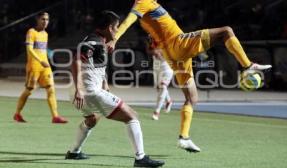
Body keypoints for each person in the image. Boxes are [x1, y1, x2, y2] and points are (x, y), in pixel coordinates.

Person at [107, 0, 272, 152]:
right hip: (179, 43)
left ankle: (184, 138)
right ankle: (248, 66)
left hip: (174, 55)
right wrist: (115, 39)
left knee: (192, 98)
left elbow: (150, 28)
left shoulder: (149, 5)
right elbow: (129, 20)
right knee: (226, 31)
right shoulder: (143, 1)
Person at [65, 10, 164, 167]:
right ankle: (140, 158)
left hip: (82, 92)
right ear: (110, 27)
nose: (117, 30)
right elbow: (76, 61)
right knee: (132, 116)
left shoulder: (99, 41)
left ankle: (74, 152)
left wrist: (104, 82)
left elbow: (95, 65)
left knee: (92, 119)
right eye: (116, 27)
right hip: (88, 92)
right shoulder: (95, 41)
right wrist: (80, 89)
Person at [13, 12, 68, 124]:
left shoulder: (45, 34)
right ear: (37, 19)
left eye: (47, 19)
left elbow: (42, 50)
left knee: (51, 89)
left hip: (45, 66)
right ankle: (17, 113)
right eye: (43, 19)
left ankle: (55, 116)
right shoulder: (31, 32)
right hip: (34, 66)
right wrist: (40, 60)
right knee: (29, 91)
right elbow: (30, 50)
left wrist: (48, 58)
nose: (45, 21)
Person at [147, 37, 173, 121]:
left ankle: (156, 112)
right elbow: (150, 51)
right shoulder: (151, 44)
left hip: (167, 69)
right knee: (159, 89)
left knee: (163, 87)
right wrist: (153, 50)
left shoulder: (167, 43)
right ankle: (169, 101)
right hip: (157, 69)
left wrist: (160, 52)